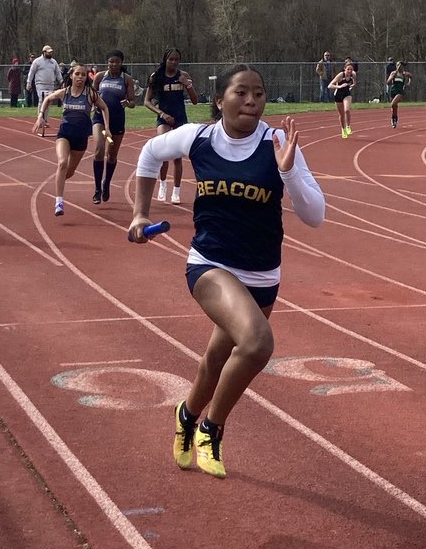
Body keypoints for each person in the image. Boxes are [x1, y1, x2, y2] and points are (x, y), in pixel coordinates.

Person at [128, 65, 325, 478]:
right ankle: (210, 428)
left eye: (259, 93)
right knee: (256, 344)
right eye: (241, 92)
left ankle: (186, 414)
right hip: (210, 264)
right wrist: (140, 214)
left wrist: (287, 172)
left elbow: (315, 216)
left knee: (217, 358)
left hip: (263, 276)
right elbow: (149, 154)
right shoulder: (198, 137)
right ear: (220, 100)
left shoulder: (277, 142)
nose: (251, 101)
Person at [34, 63, 111, 217]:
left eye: (83, 75)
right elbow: (48, 99)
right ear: (71, 76)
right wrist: (40, 116)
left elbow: (104, 108)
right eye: (77, 74)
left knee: (69, 172)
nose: (80, 77)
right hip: (64, 134)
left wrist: (107, 127)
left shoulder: (90, 94)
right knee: (62, 163)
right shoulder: (65, 92)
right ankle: (59, 202)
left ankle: (59, 181)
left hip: (80, 138)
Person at [144, 48, 199, 204]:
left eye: (176, 59)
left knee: (177, 156)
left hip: (180, 118)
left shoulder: (183, 76)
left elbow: (195, 101)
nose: (173, 62)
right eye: (171, 59)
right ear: (165, 60)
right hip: (164, 117)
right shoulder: (156, 76)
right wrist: (161, 114)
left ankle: (176, 191)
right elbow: (147, 101)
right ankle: (162, 185)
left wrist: (187, 85)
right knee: (162, 152)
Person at [91, 50, 136, 204]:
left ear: (121, 63)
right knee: (99, 149)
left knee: (112, 156)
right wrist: (93, 105)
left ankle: (106, 183)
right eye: (111, 61)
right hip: (100, 118)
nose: (114, 64)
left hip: (117, 119)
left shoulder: (126, 79)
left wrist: (127, 103)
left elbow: (133, 102)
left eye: (117, 61)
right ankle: (97, 189)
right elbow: (91, 95)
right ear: (107, 62)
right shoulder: (99, 77)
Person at [27, 45, 62, 131]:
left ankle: (45, 119)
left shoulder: (53, 62)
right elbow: (31, 72)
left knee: (48, 101)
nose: (50, 53)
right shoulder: (37, 61)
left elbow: (58, 72)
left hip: (50, 84)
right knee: (42, 100)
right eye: (48, 52)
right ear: (44, 52)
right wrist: (29, 82)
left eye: (51, 52)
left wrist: (61, 81)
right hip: (40, 84)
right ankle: (40, 118)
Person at [328, 62, 357, 138]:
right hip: (338, 95)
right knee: (341, 115)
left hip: (347, 93)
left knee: (347, 110)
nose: (350, 71)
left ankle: (348, 126)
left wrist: (351, 86)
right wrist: (340, 86)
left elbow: (354, 83)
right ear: (345, 69)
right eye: (348, 69)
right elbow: (330, 85)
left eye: (351, 69)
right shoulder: (341, 75)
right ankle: (343, 129)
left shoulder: (353, 74)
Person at [386, 61, 412, 128]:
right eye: (397, 65)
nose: (399, 67)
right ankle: (394, 119)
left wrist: (409, 83)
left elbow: (411, 76)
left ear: (403, 67)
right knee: (394, 107)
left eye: (400, 65)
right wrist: (392, 78)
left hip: (400, 92)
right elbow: (388, 82)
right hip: (393, 91)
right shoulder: (393, 73)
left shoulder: (404, 74)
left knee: (393, 104)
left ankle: (394, 118)